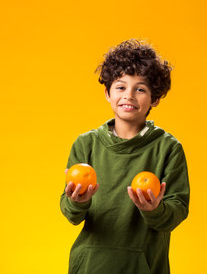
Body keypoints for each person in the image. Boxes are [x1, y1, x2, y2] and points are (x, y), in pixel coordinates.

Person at [60, 38, 190, 274]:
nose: (128, 95)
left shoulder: (168, 149)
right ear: (108, 93)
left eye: (140, 89)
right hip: (90, 267)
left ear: (155, 98)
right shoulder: (85, 144)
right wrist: (77, 202)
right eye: (120, 87)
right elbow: (71, 214)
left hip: (144, 267)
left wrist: (154, 210)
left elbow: (177, 211)